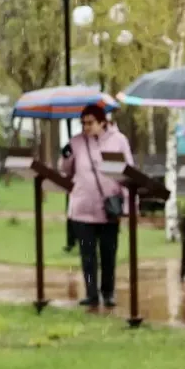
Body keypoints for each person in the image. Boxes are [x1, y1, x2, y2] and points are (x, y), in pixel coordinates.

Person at [60, 104, 133, 308]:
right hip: (82, 208)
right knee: (87, 255)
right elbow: (65, 170)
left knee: (108, 253)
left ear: (103, 122)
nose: (86, 127)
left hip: (109, 207)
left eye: (90, 123)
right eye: (83, 123)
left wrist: (127, 205)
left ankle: (108, 293)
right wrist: (66, 156)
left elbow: (129, 173)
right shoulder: (76, 142)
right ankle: (91, 294)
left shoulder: (119, 141)